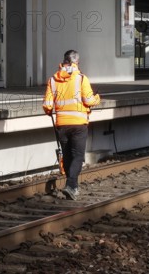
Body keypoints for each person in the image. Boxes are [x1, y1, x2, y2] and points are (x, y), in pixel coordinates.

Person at [42, 50, 101, 200]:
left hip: (61, 124)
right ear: (76, 63)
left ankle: (73, 187)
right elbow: (88, 100)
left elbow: (47, 105)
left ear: (63, 61)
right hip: (78, 125)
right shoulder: (81, 79)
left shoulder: (53, 80)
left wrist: (51, 111)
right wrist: (97, 98)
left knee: (67, 155)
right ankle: (70, 185)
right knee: (78, 156)